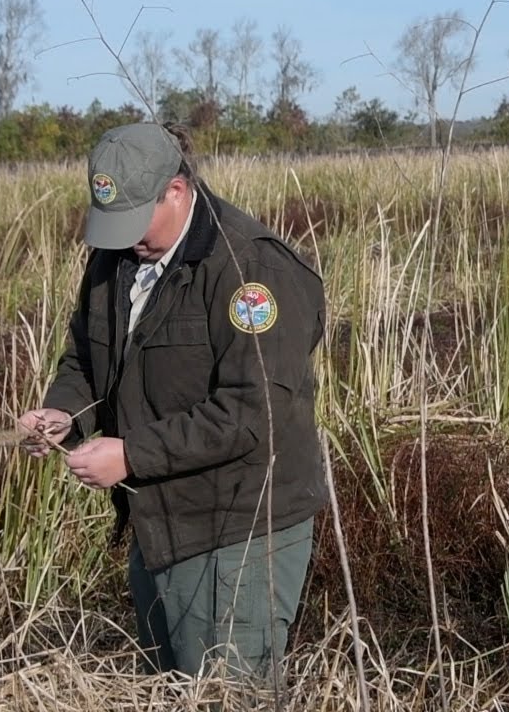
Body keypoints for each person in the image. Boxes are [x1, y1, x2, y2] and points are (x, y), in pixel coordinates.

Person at [17, 121, 327, 677]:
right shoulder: (115, 259)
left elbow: (253, 413)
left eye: (136, 218)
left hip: (239, 529)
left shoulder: (250, 270)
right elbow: (86, 357)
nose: (124, 237)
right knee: (168, 686)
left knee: (226, 693)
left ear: (177, 191)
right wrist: (64, 413)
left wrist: (131, 456)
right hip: (157, 523)